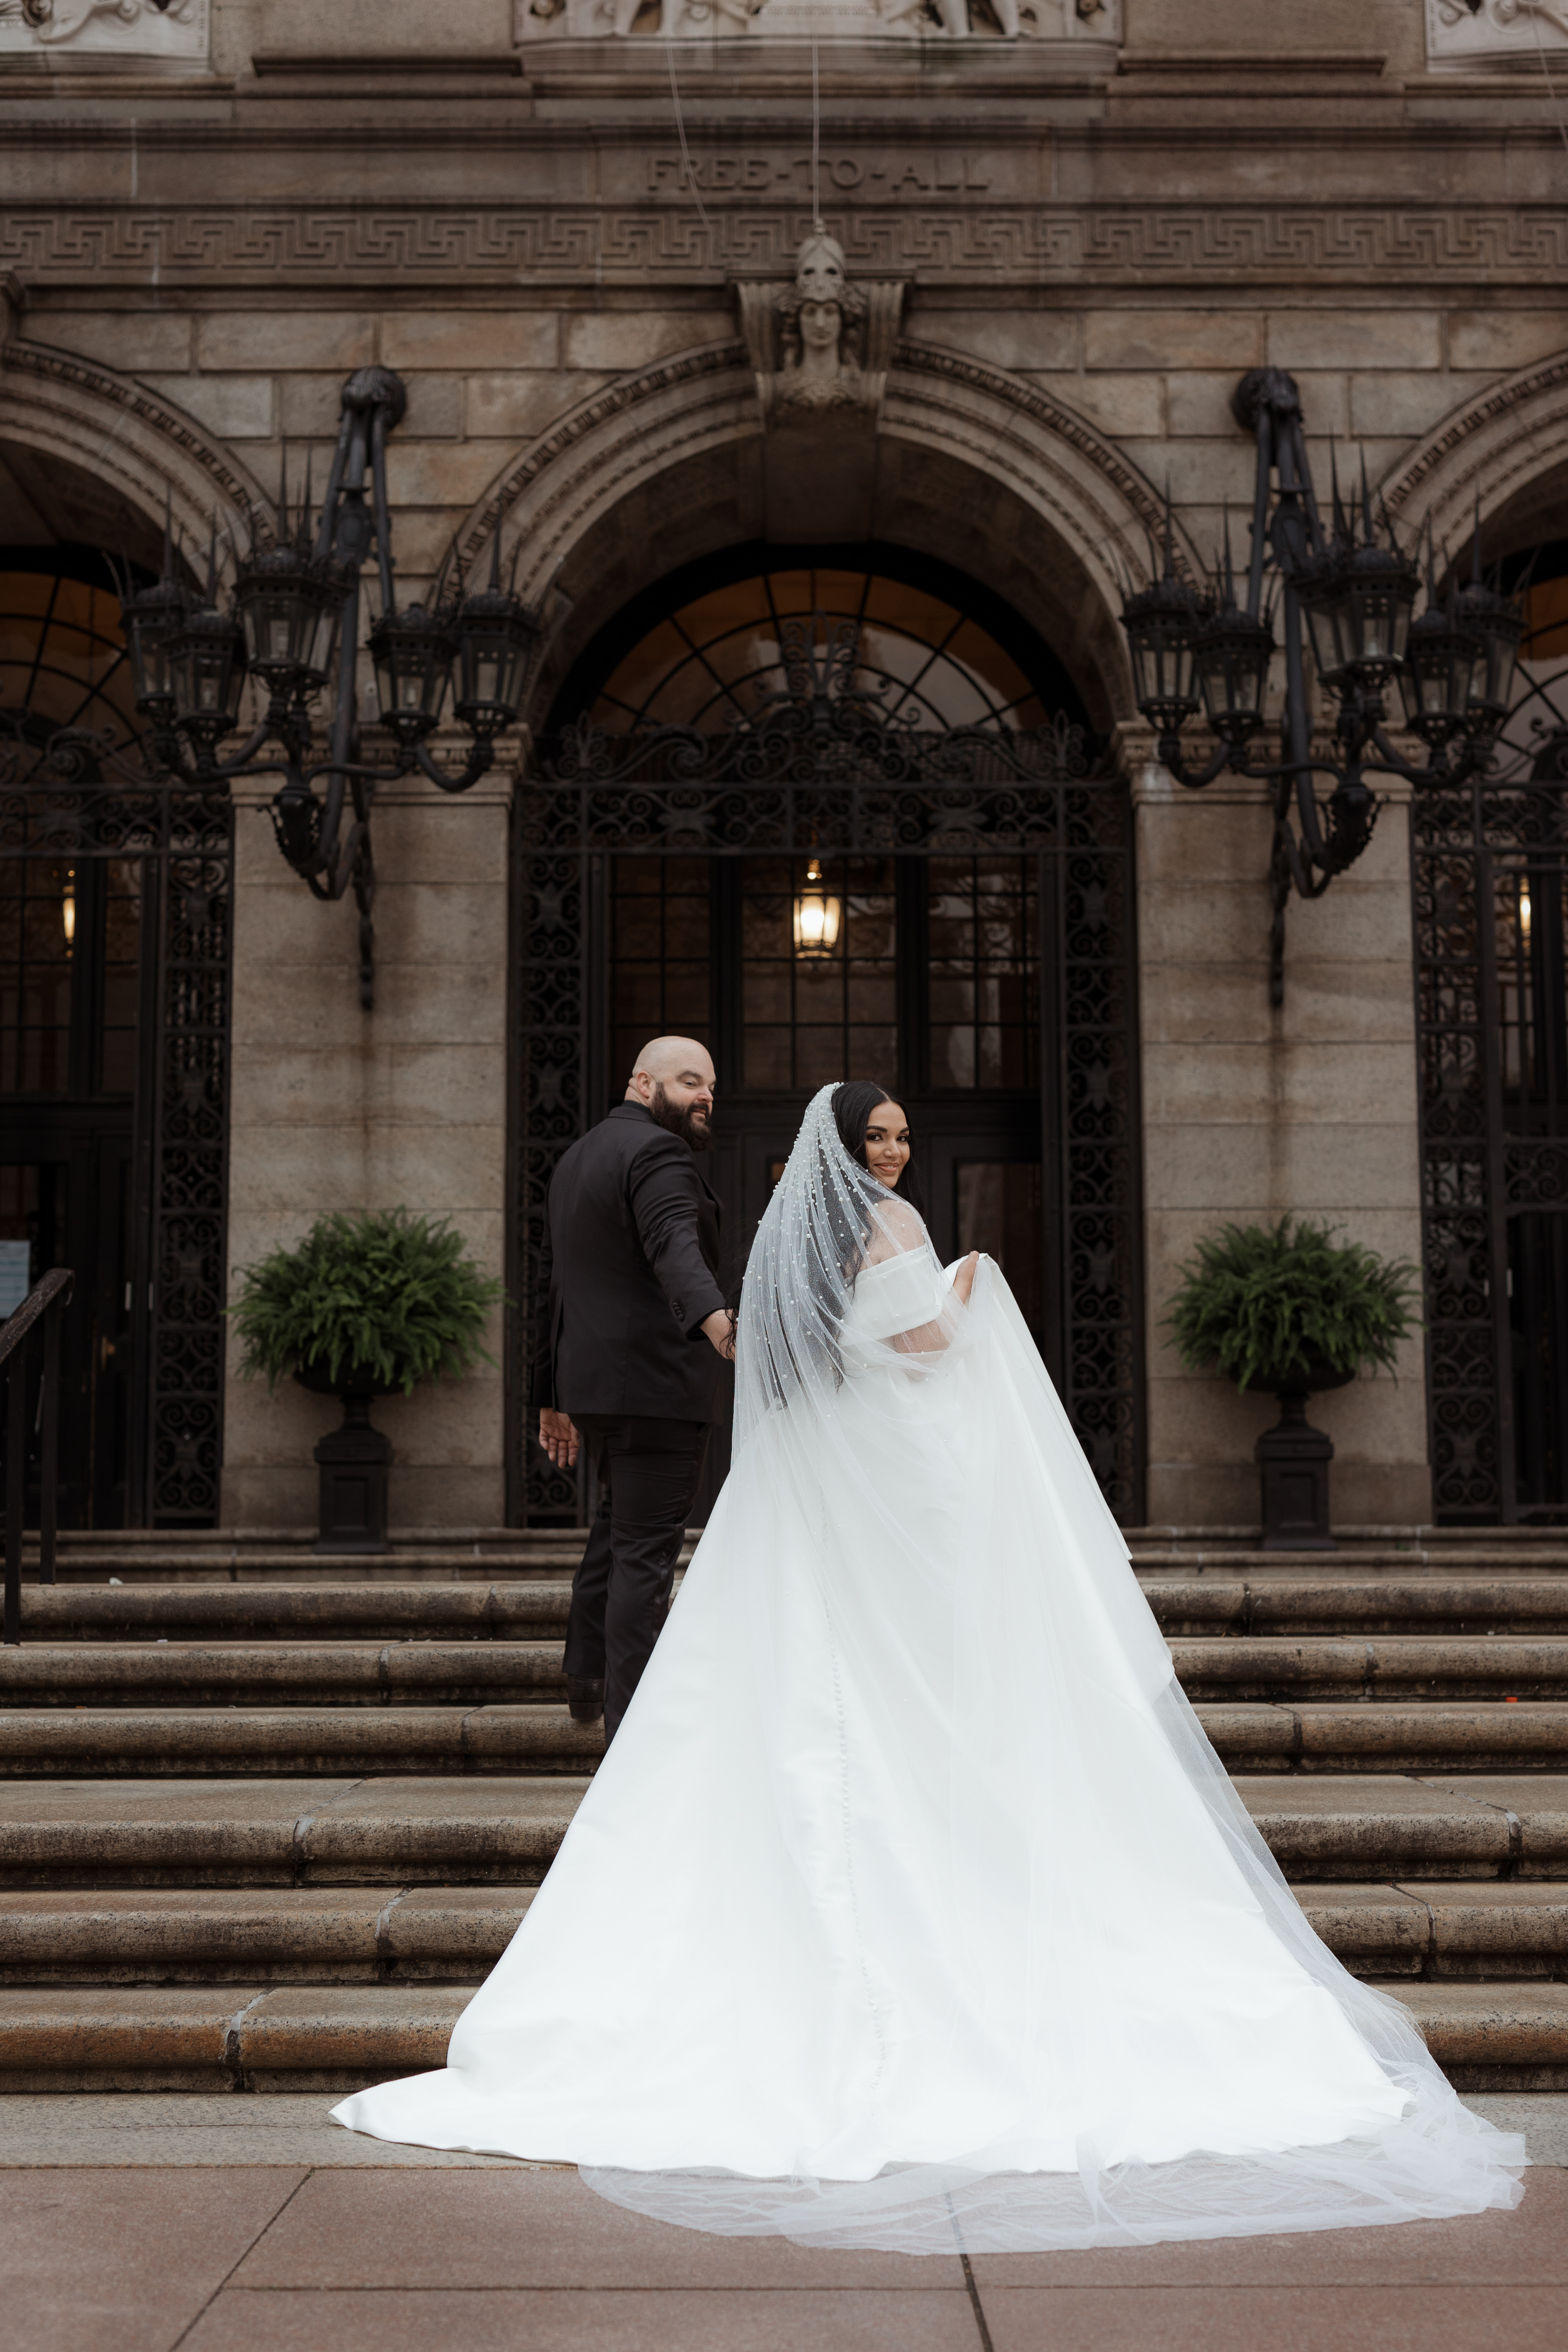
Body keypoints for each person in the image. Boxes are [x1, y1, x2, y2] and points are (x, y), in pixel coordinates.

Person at [335, 1081, 1524, 2253]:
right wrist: (977, 1284)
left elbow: (803, 1360)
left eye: (903, 1132)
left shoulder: (782, 1239)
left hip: (805, 1500)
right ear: (848, 1147)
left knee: (775, 1700)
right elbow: (919, 1341)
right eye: (881, 1134)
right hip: (887, 1489)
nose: (896, 1150)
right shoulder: (892, 1227)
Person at [531, 1035, 734, 1743]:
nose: (705, 1095)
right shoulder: (659, 1154)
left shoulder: (577, 1157)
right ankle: (631, 1740)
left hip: (595, 1388)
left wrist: (548, 1393)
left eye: (710, 1085)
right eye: (689, 1081)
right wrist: (719, 1324)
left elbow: (554, 1281)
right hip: (656, 1387)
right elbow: (674, 1241)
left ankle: (586, 1678)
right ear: (640, 1082)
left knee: (617, 1533)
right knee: (644, 1559)